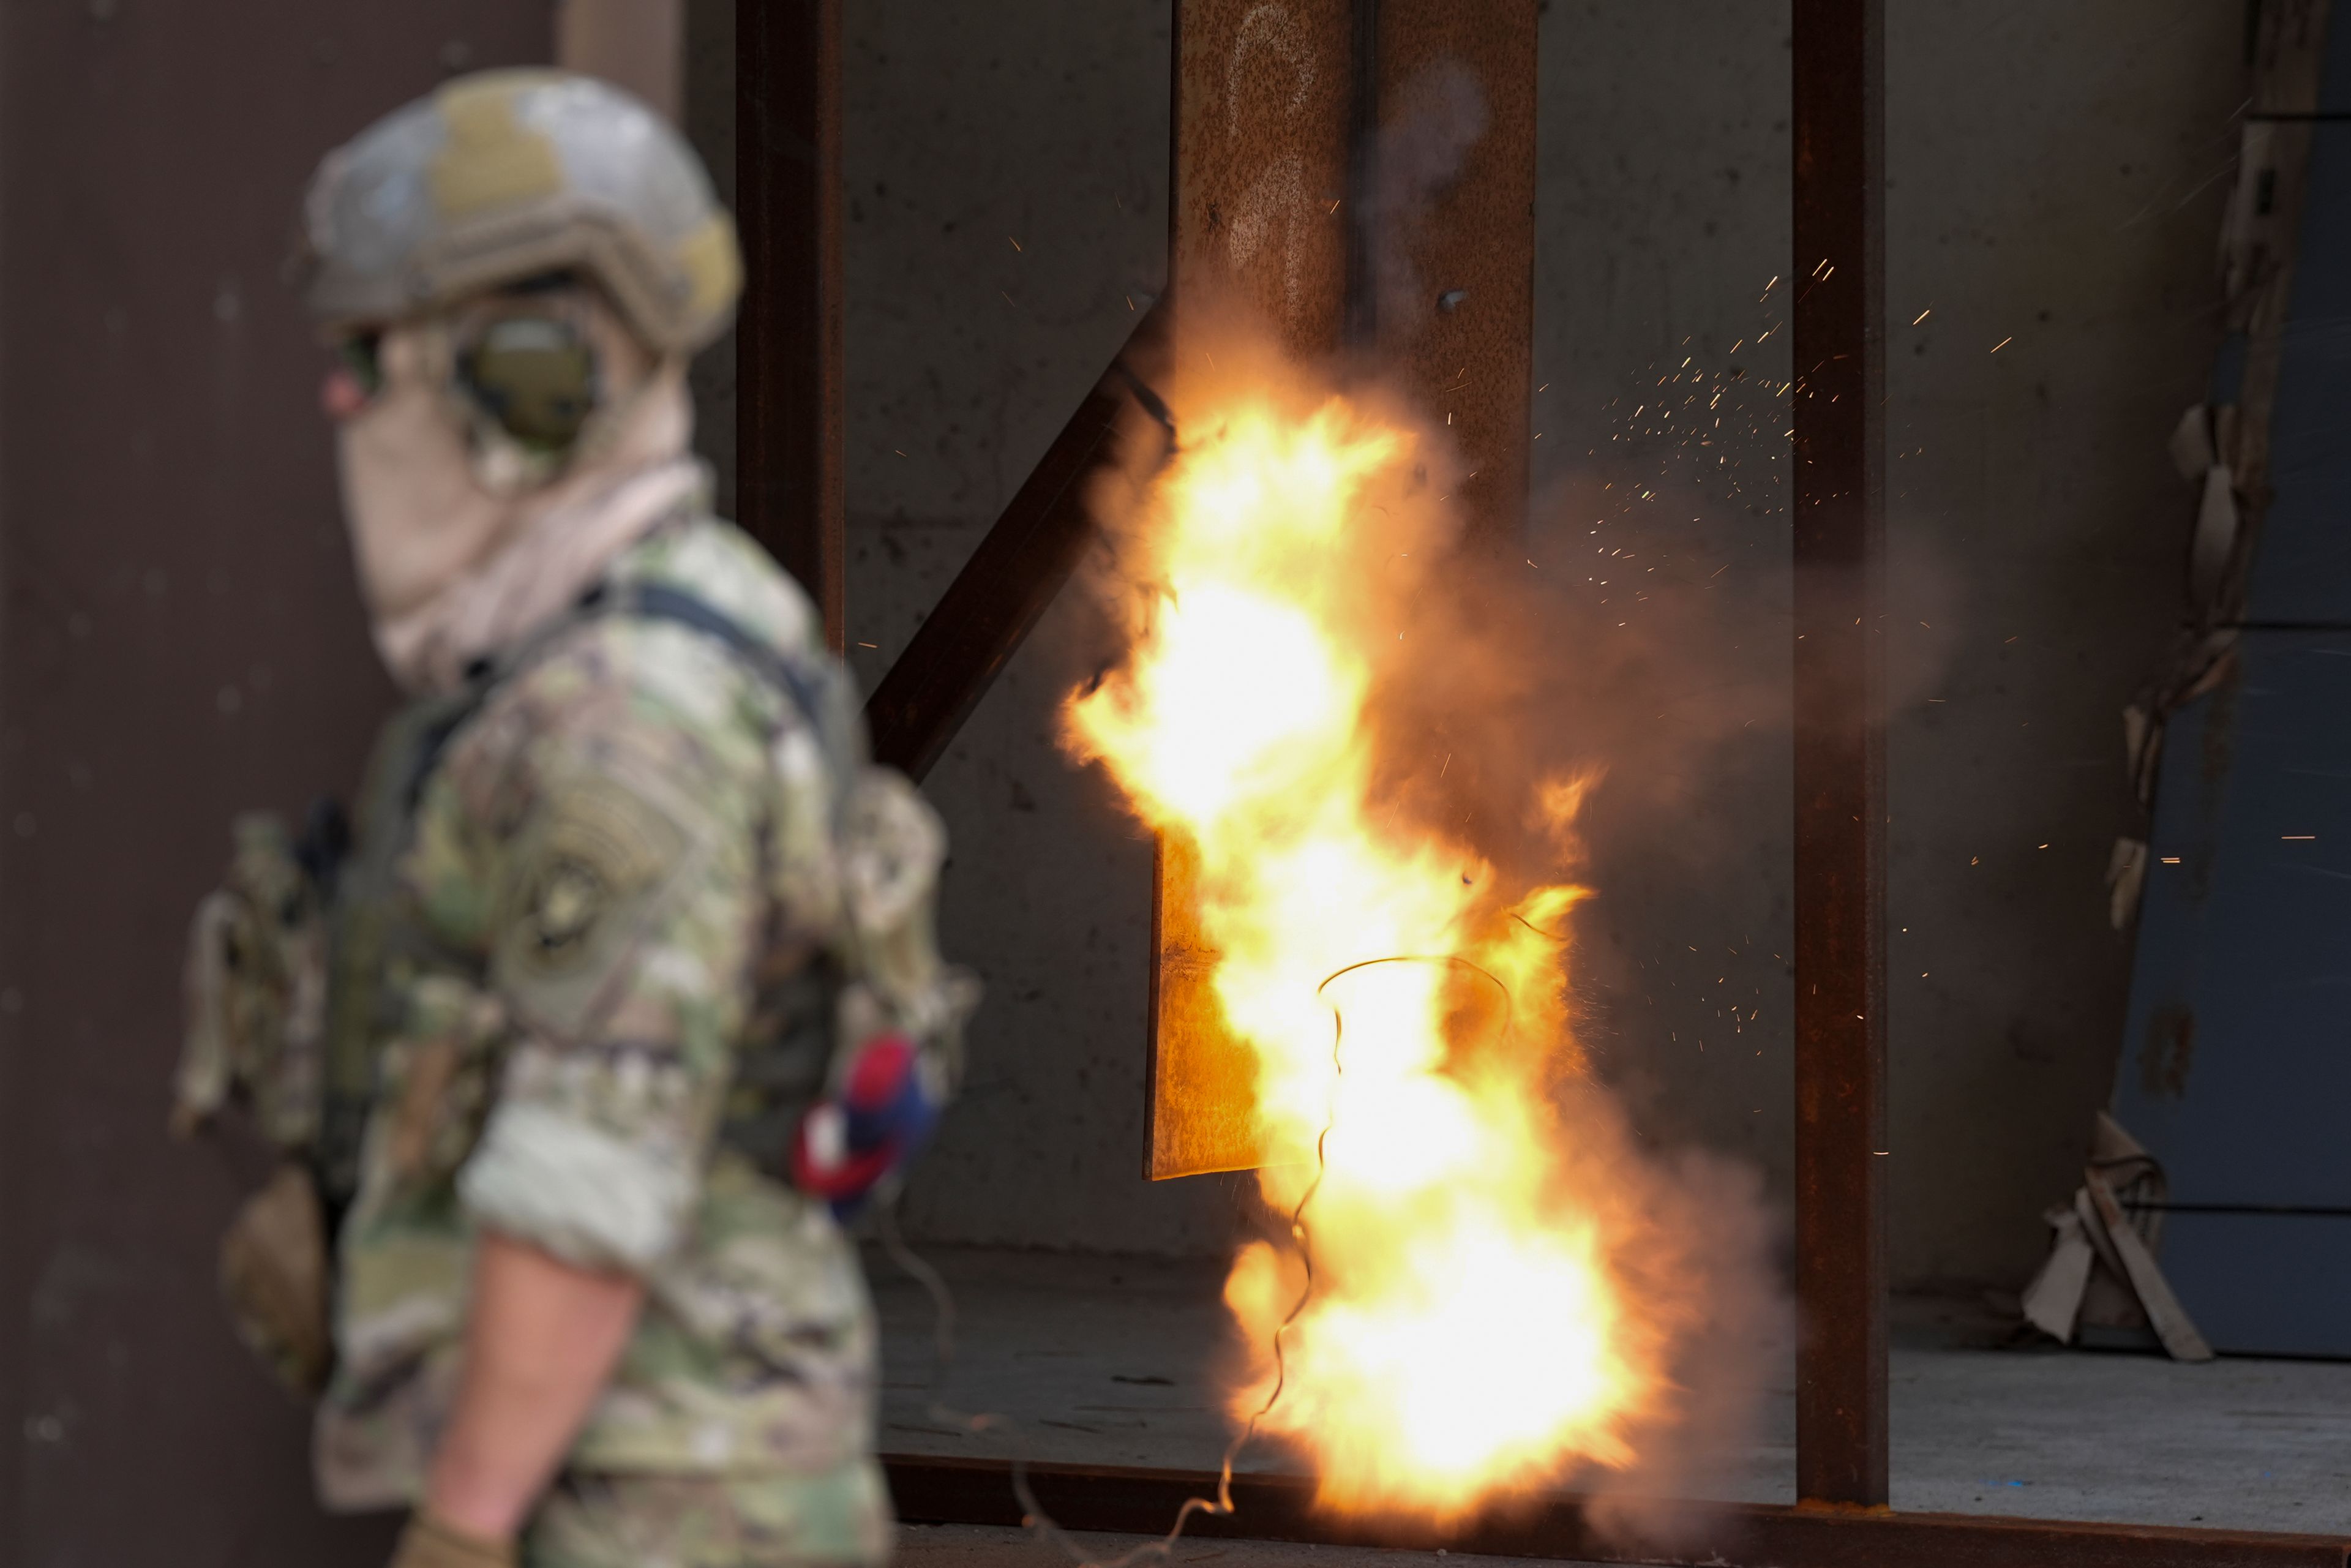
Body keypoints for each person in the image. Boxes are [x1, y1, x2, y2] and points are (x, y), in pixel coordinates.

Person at [170, 69, 971, 1568]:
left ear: (524, 389)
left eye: (372, 359)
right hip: (639, 1478)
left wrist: (461, 1528)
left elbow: (589, 1187)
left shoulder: (626, 721)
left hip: (657, 1505)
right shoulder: (637, 645)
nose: (341, 404)